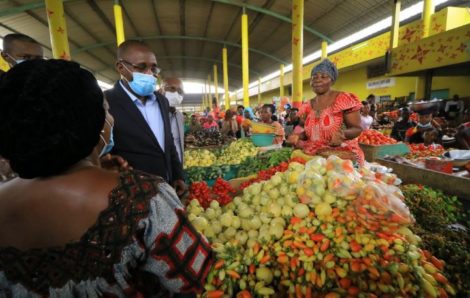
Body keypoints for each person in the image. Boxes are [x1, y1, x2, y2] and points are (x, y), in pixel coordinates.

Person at [0, 59, 213, 296]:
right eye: (106, 109)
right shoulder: (142, 197)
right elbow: (193, 278)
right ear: (95, 122)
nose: (110, 117)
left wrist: (96, 165)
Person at [105, 40, 186, 196]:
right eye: (141, 67)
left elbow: (168, 144)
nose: (149, 73)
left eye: (153, 68)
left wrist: (177, 175)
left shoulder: (162, 101)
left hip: (167, 189)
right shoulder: (107, 103)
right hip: (132, 195)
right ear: (121, 67)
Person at [289, 59, 364, 164]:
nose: (317, 80)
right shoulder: (308, 105)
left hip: (342, 158)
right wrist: (298, 136)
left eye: (323, 77)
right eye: (314, 77)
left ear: (332, 80)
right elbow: (310, 133)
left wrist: (343, 134)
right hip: (315, 157)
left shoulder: (343, 99)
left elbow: (357, 128)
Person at [0, 33, 44, 181]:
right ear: (6, 56)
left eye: (38, 59)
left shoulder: (50, 88)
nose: (33, 63)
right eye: (25, 58)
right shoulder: (3, 89)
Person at [163, 77, 185, 164]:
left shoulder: (179, 116)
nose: (176, 93)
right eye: (172, 88)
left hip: (178, 164)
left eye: (180, 91)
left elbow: (178, 141)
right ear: (162, 89)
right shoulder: (153, 113)